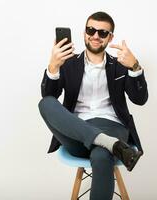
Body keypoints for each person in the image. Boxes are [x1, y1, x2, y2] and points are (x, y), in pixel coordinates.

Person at [38, 11, 148, 200]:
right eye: (91, 30)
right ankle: (112, 145)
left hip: (112, 127)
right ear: (84, 33)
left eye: (103, 33)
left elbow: (140, 99)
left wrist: (135, 67)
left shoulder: (120, 65)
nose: (96, 36)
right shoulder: (67, 63)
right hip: (75, 131)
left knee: (101, 156)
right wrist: (53, 67)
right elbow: (51, 96)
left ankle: (109, 143)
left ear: (110, 37)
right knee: (46, 103)